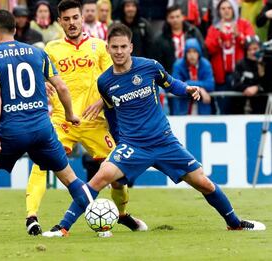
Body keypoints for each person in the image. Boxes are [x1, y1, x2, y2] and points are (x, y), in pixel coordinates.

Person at [42, 23, 266, 238]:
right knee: (100, 178)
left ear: (131, 47)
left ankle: (235, 224)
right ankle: (62, 227)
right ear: (108, 48)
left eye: (123, 47)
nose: (119, 52)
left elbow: (171, 83)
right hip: (133, 145)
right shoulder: (105, 81)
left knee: (204, 183)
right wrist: (119, 140)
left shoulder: (150, 66)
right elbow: (111, 112)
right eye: (114, 47)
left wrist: (187, 89)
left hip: (164, 142)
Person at [0, 9, 109, 242]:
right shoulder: (38, 53)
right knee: (70, 178)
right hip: (42, 129)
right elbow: (62, 87)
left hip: (12, 131)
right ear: (15, 30)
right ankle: (102, 223)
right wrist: (70, 114)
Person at [26, 0, 146, 237]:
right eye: (66, 19)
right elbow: (35, 76)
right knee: (41, 164)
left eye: (75, 18)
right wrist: (43, 83)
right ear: (60, 22)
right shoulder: (51, 49)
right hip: (62, 121)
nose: (71, 23)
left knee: (117, 171)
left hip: (94, 121)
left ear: (82, 19)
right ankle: (32, 218)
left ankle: (121, 214)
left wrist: (103, 100)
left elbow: (115, 77)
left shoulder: (99, 47)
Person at [205, 0, 255, 114]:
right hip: (221, 76)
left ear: (234, 9)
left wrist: (239, 36)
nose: (226, 11)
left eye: (229, 8)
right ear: (218, 11)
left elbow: (252, 46)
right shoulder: (214, 28)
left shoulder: (243, 24)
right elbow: (209, 48)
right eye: (223, 8)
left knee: (239, 108)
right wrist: (220, 35)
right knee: (224, 108)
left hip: (240, 75)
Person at [172, 38, 214, 115]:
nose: (192, 55)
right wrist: (200, 89)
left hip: (202, 107)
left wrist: (188, 84)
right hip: (182, 107)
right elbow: (176, 85)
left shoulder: (205, 64)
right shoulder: (178, 65)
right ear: (185, 54)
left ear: (199, 53)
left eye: (194, 52)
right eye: (189, 52)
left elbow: (210, 85)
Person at [232, 35, 268, 114]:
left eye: (255, 49)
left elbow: (268, 84)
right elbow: (235, 83)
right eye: (249, 50)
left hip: (263, 109)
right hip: (242, 108)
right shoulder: (241, 64)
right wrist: (247, 88)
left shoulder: (267, 63)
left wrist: (258, 88)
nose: (252, 52)